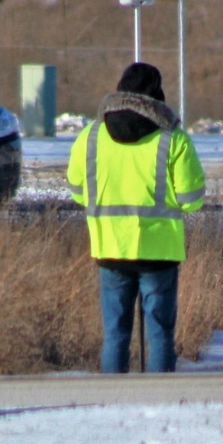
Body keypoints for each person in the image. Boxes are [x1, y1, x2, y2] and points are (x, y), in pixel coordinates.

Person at [67, 62, 206, 373]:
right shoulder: (173, 139)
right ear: (157, 95)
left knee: (115, 336)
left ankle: (113, 405)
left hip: (110, 247)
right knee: (159, 335)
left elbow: (78, 192)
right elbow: (191, 200)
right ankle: (160, 402)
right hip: (160, 249)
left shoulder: (90, 137)